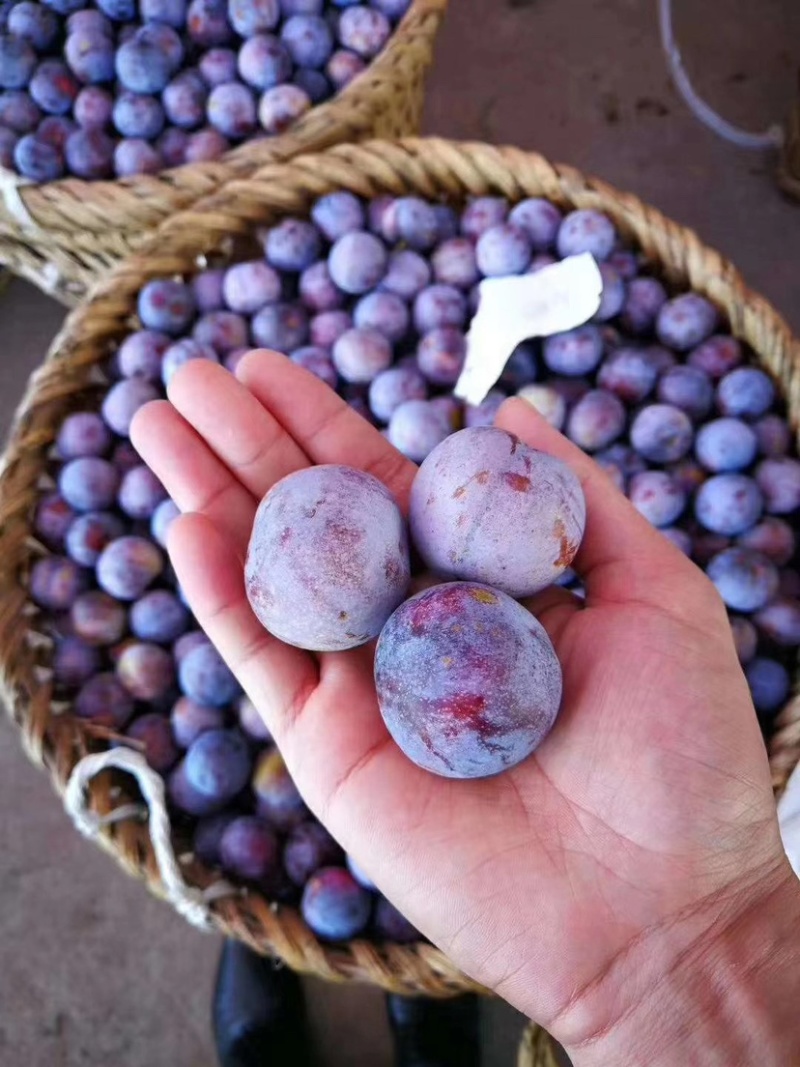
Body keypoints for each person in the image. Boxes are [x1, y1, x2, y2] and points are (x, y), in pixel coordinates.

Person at [132, 351, 800, 1066]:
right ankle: (429, 1042)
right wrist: (715, 946)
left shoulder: (432, 606)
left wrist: (707, 942)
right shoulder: (448, 595)